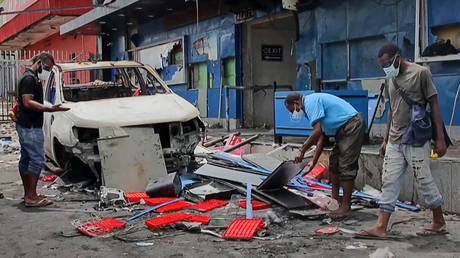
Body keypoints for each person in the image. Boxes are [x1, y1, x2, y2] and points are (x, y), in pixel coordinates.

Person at [356, 43, 447, 239]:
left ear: (398, 57)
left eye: (388, 63)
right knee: (389, 181)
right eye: (382, 65)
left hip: (416, 137)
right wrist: (386, 139)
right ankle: (381, 226)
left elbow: (434, 103)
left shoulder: (421, 73)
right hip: (395, 140)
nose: (386, 67)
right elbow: (392, 110)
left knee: (423, 179)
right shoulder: (390, 78)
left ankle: (438, 221)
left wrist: (440, 138)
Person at [285, 92, 365, 218]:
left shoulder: (310, 102)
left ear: (297, 103)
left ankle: (346, 207)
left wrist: (302, 150)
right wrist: (314, 161)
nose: (293, 114)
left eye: (292, 110)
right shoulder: (309, 108)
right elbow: (321, 136)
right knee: (334, 163)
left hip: (352, 125)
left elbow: (316, 132)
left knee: (346, 164)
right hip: (342, 129)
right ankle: (335, 201)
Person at [16, 53, 70, 207]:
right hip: (30, 126)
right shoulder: (29, 78)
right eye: (47, 67)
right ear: (39, 62)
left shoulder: (31, 76)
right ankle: (31, 197)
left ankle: (29, 194)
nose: (47, 70)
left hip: (27, 124)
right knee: (37, 159)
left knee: (26, 159)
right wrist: (50, 108)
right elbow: (27, 102)